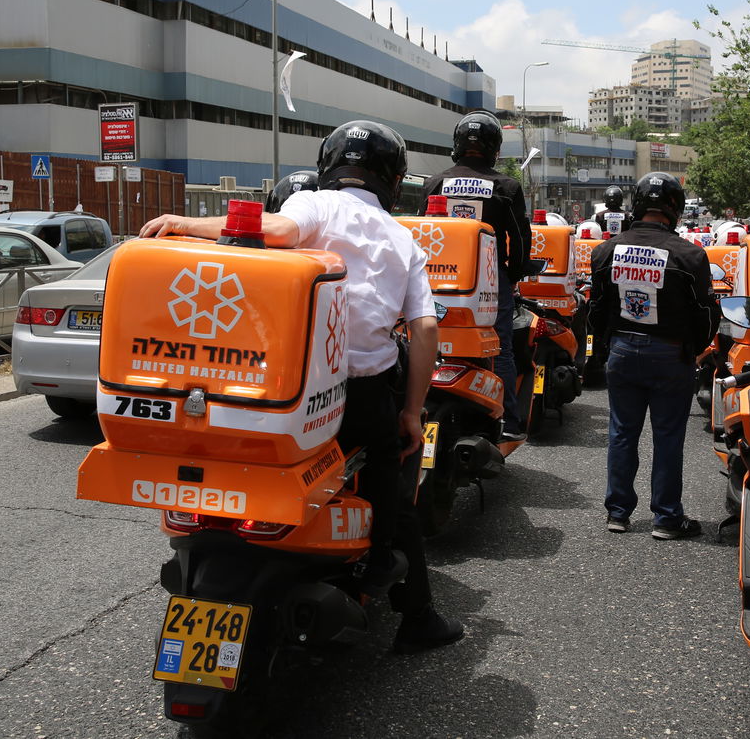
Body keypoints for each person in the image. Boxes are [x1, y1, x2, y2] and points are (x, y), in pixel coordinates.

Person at [140, 120, 462, 654]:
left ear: (329, 165)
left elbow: (280, 233)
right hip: (361, 395)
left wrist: (184, 222)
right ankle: (410, 608)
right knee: (396, 487)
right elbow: (425, 328)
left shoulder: (316, 204)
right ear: (393, 177)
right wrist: (411, 412)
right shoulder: (402, 237)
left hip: (283, 393)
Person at [589, 172, 718, 540]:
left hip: (622, 349)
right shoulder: (690, 255)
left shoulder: (606, 250)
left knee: (622, 433)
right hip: (670, 354)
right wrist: (693, 351)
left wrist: (605, 348)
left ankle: (618, 513)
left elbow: (596, 309)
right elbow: (706, 315)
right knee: (667, 436)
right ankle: (666, 517)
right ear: (675, 208)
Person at [422, 110, 532, 441]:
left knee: (427, 344)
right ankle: (508, 423)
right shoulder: (507, 186)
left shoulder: (434, 182)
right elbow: (521, 240)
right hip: (488, 279)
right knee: (499, 350)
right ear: (494, 147)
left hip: (436, 279)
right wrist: (511, 276)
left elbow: (419, 232)